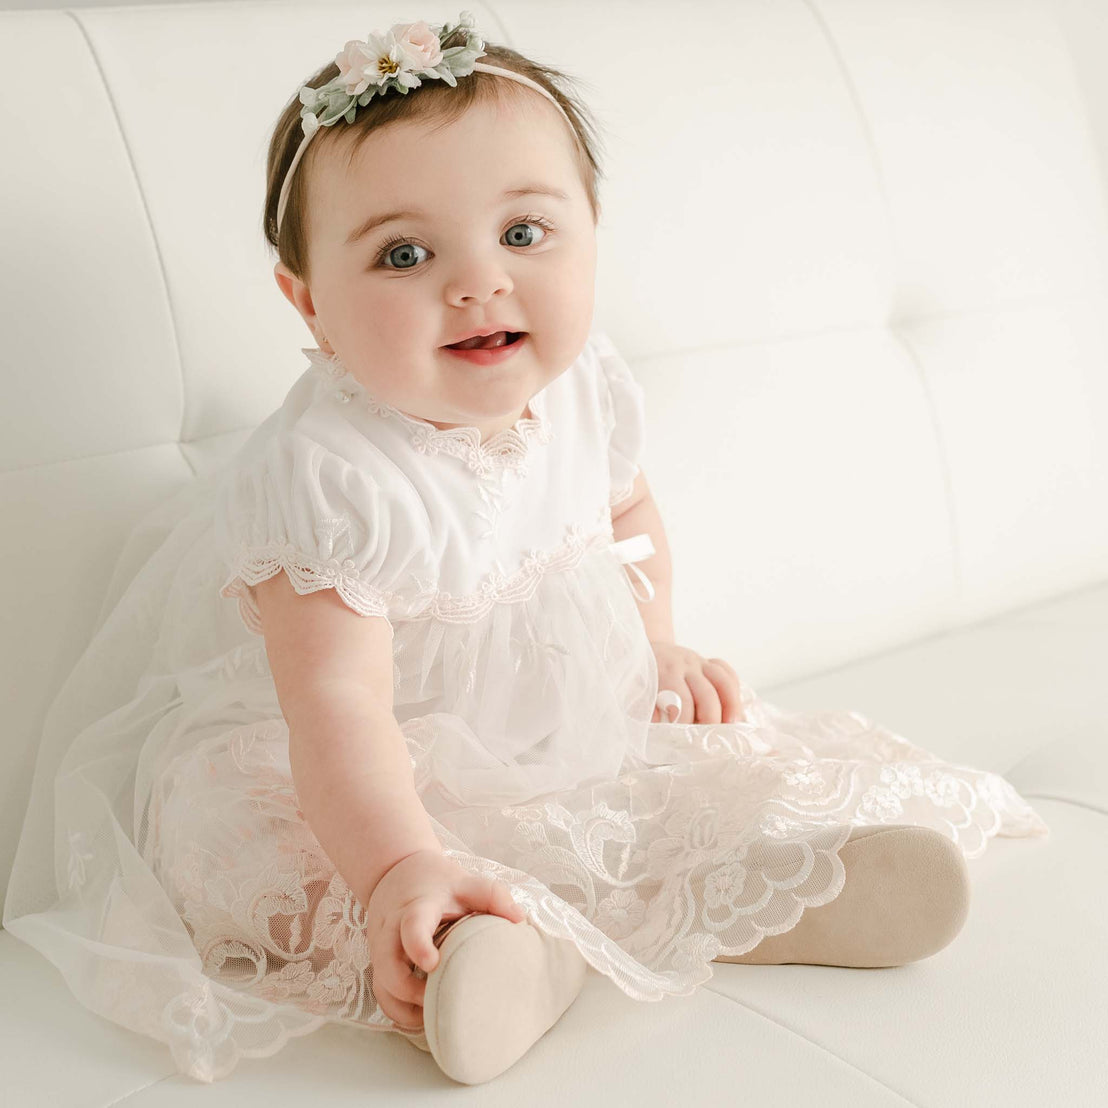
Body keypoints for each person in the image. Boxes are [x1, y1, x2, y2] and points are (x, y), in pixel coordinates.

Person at [3, 10, 1051, 1089]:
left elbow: (629, 512)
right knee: (262, 863)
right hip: (345, 777)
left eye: (524, 233)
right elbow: (340, 715)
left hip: (556, 734)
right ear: (309, 300)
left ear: (592, 232)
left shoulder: (584, 382)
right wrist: (399, 865)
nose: (476, 282)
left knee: (657, 786)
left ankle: (754, 885)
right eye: (403, 253)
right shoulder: (326, 479)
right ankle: (484, 946)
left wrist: (659, 640)